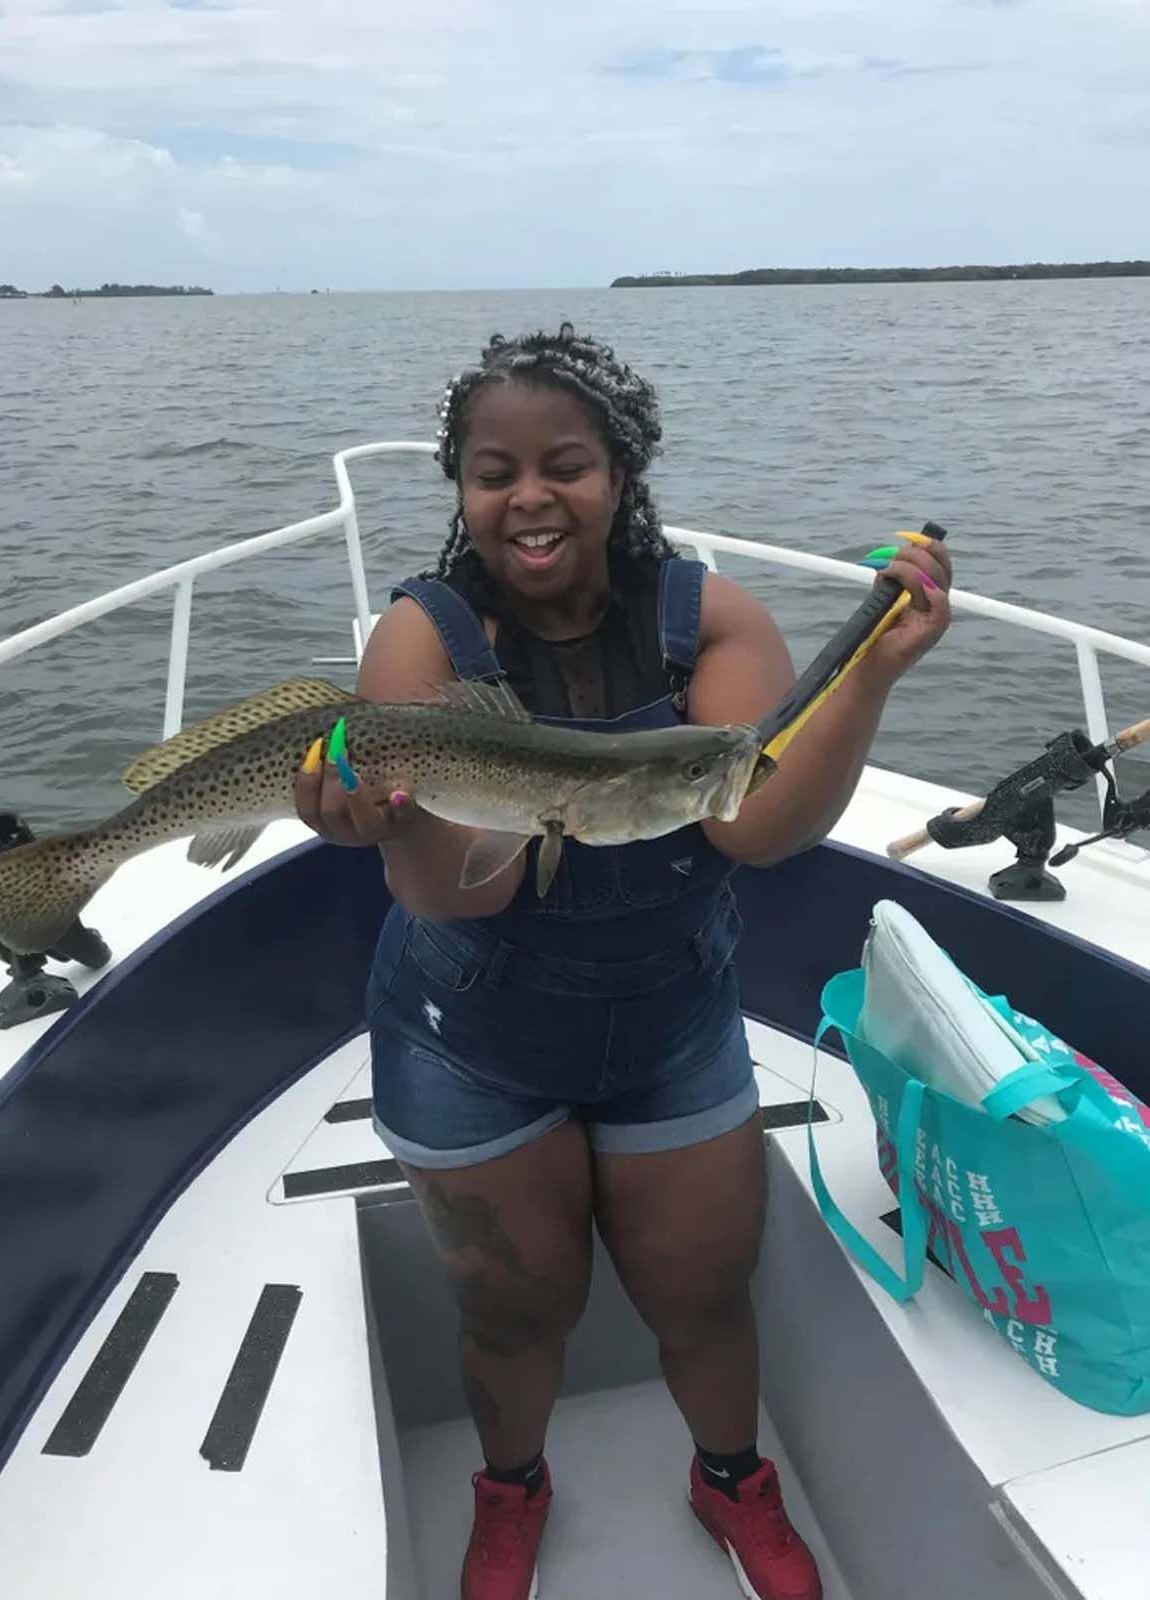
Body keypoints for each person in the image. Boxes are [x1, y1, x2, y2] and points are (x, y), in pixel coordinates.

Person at [294, 325, 952, 1600]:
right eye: (494, 471)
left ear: (620, 471)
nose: (530, 497)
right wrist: (381, 816)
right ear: (461, 488)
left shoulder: (712, 618)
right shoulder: (419, 643)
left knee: (706, 1294)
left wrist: (867, 674)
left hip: (672, 1022)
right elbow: (448, 895)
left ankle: (729, 1475)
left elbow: (754, 825)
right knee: (512, 1311)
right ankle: (511, 1490)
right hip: (470, 1029)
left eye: (567, 464)